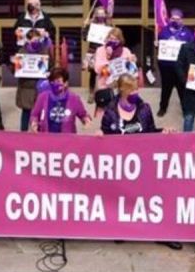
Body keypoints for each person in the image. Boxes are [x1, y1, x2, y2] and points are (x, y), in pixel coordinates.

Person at [99, 76, 182, 251]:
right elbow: (105, 140)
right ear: (123, 91)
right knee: (123, 199)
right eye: (133, 90)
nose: (137, 93)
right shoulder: (110, 113)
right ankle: (124, 228)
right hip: (121, 167)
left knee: (154, 198)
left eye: (138, 89)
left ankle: (161, 233)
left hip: (144, 164)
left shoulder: (144, 109)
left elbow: (150, 132)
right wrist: (99, 138)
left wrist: (163, 132)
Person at [155, 9, 192, 117]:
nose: (175, 20)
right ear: (169, 19)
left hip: (181, 67)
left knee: (182, 89)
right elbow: (160, 46)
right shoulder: (163, 31)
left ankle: (185, 109)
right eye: (173, 18)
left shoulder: (188, 33)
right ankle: (163, 108)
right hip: (166, 66)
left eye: (178, 19)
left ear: (182, 20)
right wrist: (156, 44)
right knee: (166, 88)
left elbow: (191, 47)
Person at [29, 66, 89, 134]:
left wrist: (86, 121)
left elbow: (83, 115)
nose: (55, 84)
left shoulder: (74, 98)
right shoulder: (42, 97)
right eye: (52, 81)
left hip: (67, 140)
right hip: (46, 138)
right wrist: (34, 123)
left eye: (58, 81)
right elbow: (34, 115)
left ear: (65, 83)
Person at [92, 27, 137, 116]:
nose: (112, 41)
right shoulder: (100, 50)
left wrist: (132, 60)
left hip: (122, 87)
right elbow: (97, 69)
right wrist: (108, 60)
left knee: (121, 114)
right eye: (110, 38)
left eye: (115, 39)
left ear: (120, 40)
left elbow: (132, 70)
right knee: (107, 115)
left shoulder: (126, 51)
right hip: (106, 87)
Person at [16, 29, 53, 132]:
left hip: (40, 85)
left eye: (38, 39)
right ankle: (23, 133)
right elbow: (16, 68)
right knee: (26, 112)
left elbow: (50, 65)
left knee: (39, 112)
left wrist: (49, 72)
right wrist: (16, 66)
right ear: (28, 40)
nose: (36, 41)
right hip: (26, 86)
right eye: (34, 39)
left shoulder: (44, 50)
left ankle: (39, 133)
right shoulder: (21, 51)